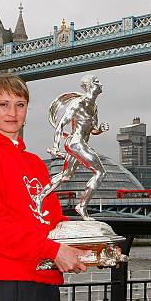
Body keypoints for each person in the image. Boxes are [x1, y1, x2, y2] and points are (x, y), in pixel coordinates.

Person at [0, 74, 89, 301]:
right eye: (4, 104)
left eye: (20, 105)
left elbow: (53, 222)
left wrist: (95, 245)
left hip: (46, 280)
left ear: (27, 110)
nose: (12, 113)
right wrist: (53, 252)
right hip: (10, 284)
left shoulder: (35, 163)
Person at [33, 75, 108, 221]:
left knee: (66, 175)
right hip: (75, 143)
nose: (101, 84)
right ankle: (82, 206)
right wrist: (55, 146)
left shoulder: (95, 107)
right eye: (97, 82)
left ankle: (39, 197)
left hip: (82, 143)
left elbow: (92, 130)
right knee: (100, 172)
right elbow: (61, 124)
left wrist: (101, 129)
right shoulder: (77, 104)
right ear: (90, 86)